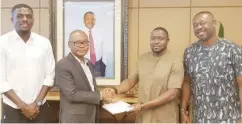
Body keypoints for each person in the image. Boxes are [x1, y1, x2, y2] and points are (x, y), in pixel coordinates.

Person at [104, 27, 184, 123]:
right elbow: (130, 81)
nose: (156, 42)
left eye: (161, 38)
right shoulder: (143, 58)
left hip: (164, 117)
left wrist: (142, 106)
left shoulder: (176, 61)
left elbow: (172, 94)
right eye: (153, 38)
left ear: (167, 40)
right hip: (144, 116)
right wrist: (115, 90)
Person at [181, 11, 242, 123]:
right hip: (200, 119)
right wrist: (183, 111)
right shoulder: (189, 52)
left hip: (230, 118)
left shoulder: (232, 49)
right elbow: (187, 82)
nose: (199, 27)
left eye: (203, 23)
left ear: (214, 23)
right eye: (195, 25)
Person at [0, 4, 55, 123]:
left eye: (28, 16)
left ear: (33, 20)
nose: (25, 19)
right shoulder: (2, 43)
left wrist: (37, 103)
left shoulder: (44, 43)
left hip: (40, 108)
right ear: (12, 20)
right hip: (12, 108)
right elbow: (1, 81)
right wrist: (23, 106)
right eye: (19, 16)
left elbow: (50, 76)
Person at [55, 30, 113, 123]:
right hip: (74, 119)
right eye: (77, 42)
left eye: (85, 42)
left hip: (91, 116)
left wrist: (103, 98)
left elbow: (91, 89)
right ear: (69, 44)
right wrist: (101, 95)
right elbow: (72, 94)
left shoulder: (88, 63)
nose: (82, 45)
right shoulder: (63, 65)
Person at [83, 11, 107, 77]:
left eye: (92, 19)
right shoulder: (80, 33)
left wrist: (104, 64)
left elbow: (104, 49)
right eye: (88, 19)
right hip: (84, 64)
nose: (90, 21)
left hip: (98, 64)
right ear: (84, 21)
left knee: (98, 85)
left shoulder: (101, 33)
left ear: (95, 21)